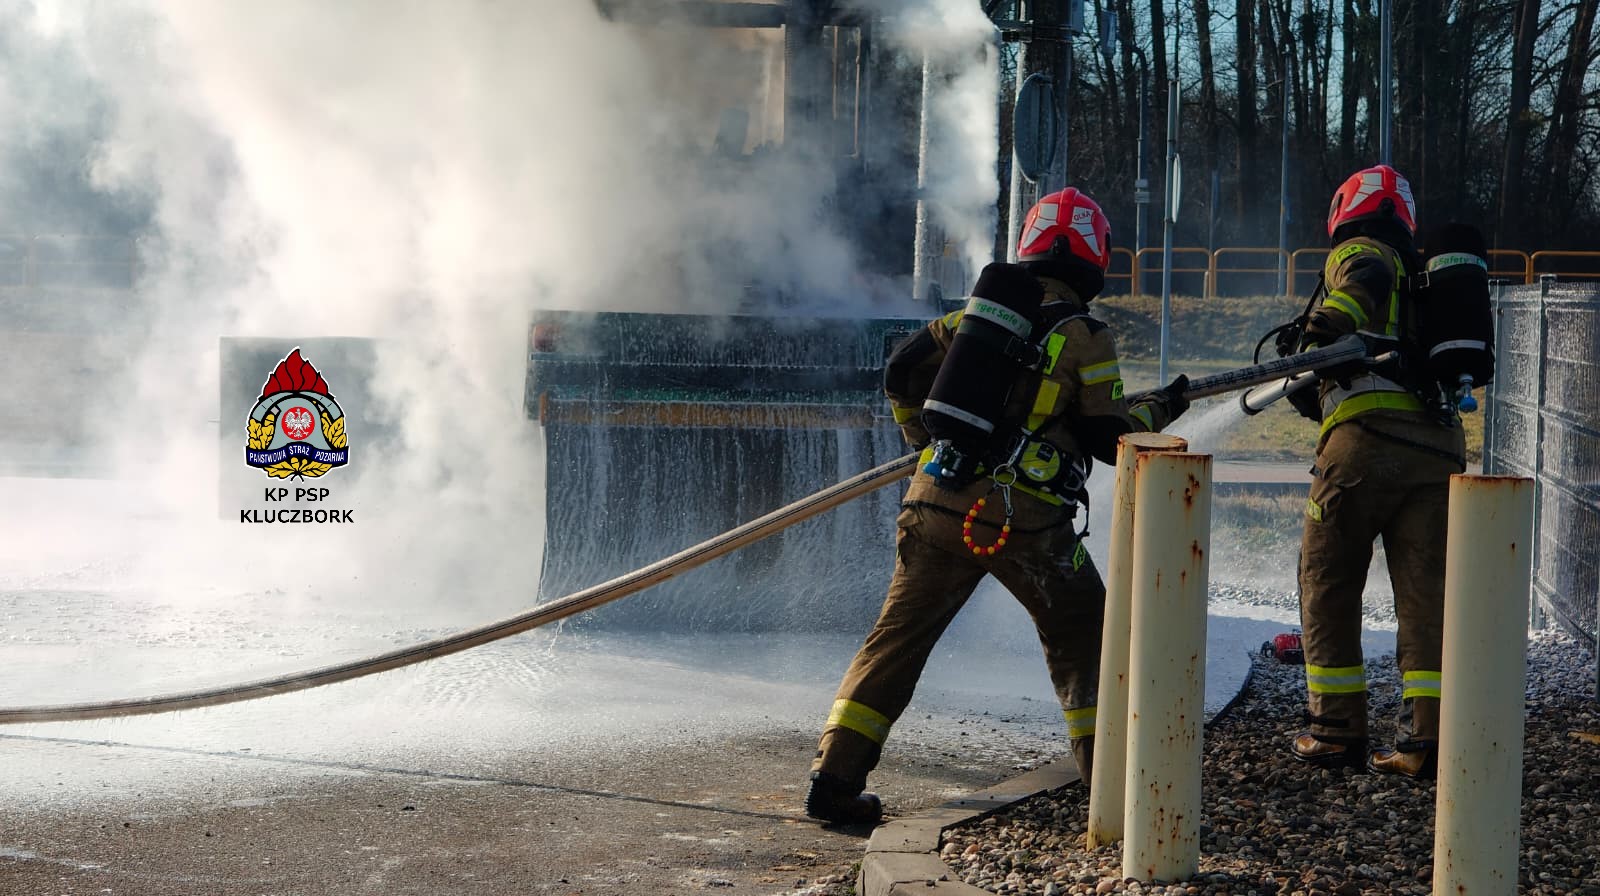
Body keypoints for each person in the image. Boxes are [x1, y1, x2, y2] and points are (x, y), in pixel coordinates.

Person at [804, 187, 1191, 824]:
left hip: (935, 507)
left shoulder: (974, 319)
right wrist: (1161, 407)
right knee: (1087, 641)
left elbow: (901, 369)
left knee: (895, 643)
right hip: (1026, 522)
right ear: (1095, 258)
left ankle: (833, 778)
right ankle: (1113, 793)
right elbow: (1110, 440)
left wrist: (923, 442)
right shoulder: (1086, 334)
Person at [1287, 164, 1467, 780]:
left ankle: (1335, 731)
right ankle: (1426, 741)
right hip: (1439, 451)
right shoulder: (1430, 278)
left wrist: (1324, 326)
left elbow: (1362, 278)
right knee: (1426, 597)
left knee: (1327, 580)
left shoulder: (1361, 250)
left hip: (1365, 445)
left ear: (1346, 210)